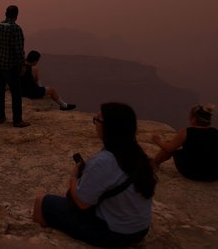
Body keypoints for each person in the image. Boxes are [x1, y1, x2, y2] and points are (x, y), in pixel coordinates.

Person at [33, 102, 157, 248]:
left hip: (114, 235)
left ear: (110, 127)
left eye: (97, 120)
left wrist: (74, 178)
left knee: (41, 201)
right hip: (141, 230)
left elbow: (82, 203)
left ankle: (42, 240)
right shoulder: (136, 153)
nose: (95, 124)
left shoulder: (103, 162)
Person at [152, 104, 218, 181]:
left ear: (194, 118)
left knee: (170, 145)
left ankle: (154, 164)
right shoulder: (215, 132)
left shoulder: (187, 132)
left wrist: (157, 140)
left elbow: (169, 149)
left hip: (191, 172)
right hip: (213, 174)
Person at [0, 5, 28, 127]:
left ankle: (1, 117)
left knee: (0, 91)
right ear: (16, 15)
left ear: (5, 13)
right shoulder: (15, 29)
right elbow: (19, 50)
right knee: (16, 93)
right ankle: (17, 120)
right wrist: (22, 66)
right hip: (11, 67)